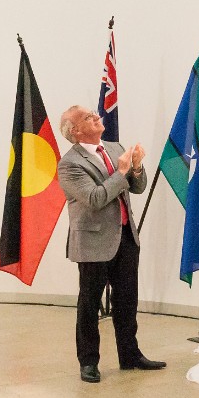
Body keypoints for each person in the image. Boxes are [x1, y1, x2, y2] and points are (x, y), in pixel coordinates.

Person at [56, 105, 166, 383]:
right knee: (89, 304)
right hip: (93, 242)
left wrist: (137, 168)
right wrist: (122, 171)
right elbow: (94, 198)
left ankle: (130, 355)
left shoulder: (115, 148)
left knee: (127, 301)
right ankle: (89, 362)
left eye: (94, 113)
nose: (96, 117)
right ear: (76, 131)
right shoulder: (69, 164)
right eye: (88, 117)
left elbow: (136, 188)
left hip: (126, 238)